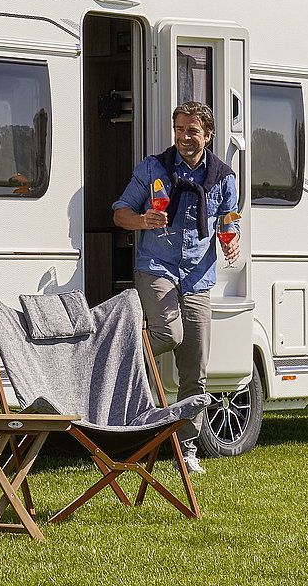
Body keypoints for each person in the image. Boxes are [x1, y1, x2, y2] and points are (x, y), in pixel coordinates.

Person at [111, 101, 241, 474]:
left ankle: (186, 451)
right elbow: (120, 212)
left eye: (193, 131)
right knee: (168, 332)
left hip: (199, 275)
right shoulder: (154, 169)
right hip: (156, 266)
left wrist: (231, 239)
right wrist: (142, 220)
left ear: (208, 135)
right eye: (179, 130)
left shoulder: (224, 177)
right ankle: (121, 355)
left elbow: (229, 218)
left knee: (195, 366)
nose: (184, 137)